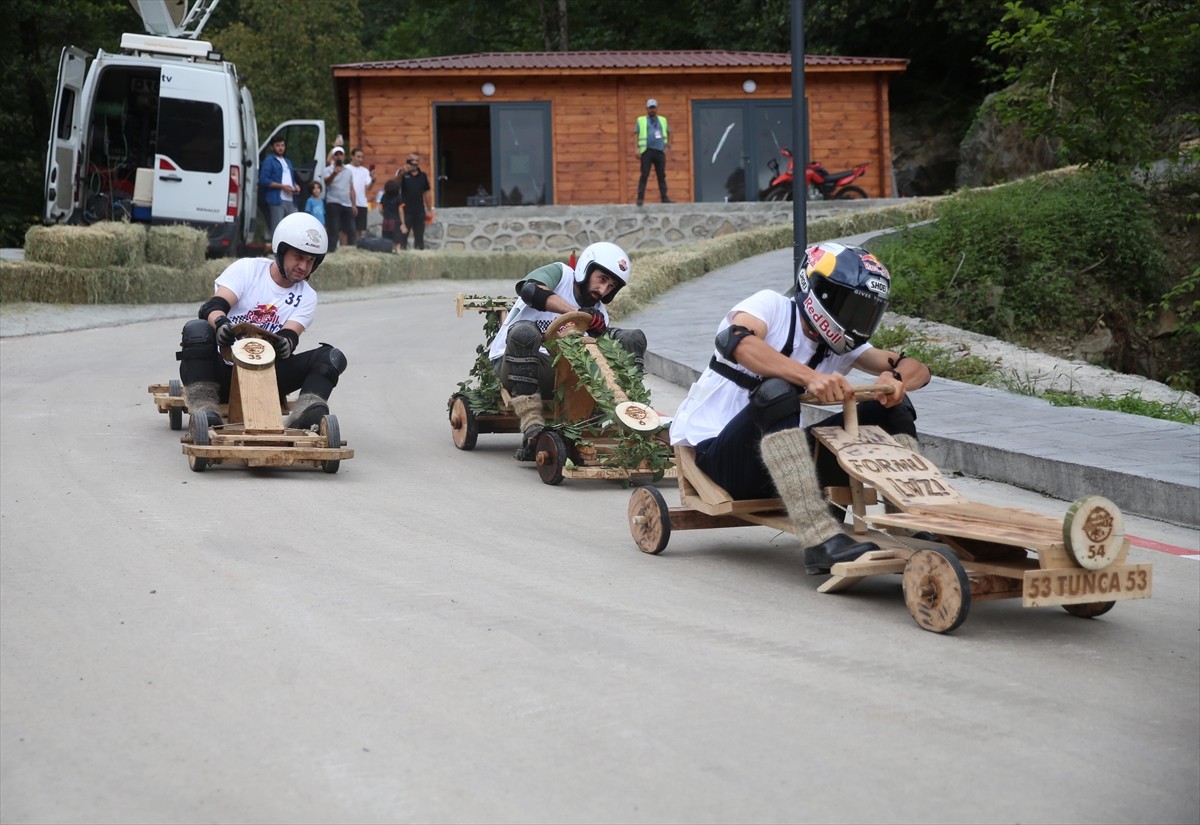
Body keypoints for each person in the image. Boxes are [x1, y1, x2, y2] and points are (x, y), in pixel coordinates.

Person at [668, 242, 932, 575]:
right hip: (718, 461)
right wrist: (808, 377)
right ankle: (819, 542)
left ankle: (907, 520)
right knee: (777, 391)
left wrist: (893, 380)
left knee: (893, 406)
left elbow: (917, 368)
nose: (854, 320)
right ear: (816, 291)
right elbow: (737, 342)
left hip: (785, 464)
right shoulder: (772, 307)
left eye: (863, 312)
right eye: (848, 306)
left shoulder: (844, 347)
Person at [176, 212, 348, 432]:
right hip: (222, 374)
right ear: (282, 251)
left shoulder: (307, 296)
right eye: (298, 256)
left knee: (332, 357)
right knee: (197, 329)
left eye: (310, 260)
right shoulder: (248, 270)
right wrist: (221, 325)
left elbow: (290, 335)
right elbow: (212, 307)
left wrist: (285, 344)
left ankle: (306, 413)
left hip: (267, 379)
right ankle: (204, 407)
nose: (303, 267)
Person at [488, 241, 648, 461]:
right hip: (512, 361)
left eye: (611, 287)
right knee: (525, 333)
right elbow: (530, 289)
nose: (603, 290)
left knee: (631, 338)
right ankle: (531, 428)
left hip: (559, 373)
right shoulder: (561, 274)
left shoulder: (599, 313)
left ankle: (630, 421)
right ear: (586, 269)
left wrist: (599, 333)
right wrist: (576, 313)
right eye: (601, 279)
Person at [259, 136, 300, 236]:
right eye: (277, 145)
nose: (280, 148)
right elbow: (263, 180)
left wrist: (296, 186)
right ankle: (276, 250)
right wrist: (282, 186)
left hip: (291, 199)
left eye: (282, 145)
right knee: (278, 228)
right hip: (277, 199)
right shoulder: (269, 161)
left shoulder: (288, 161)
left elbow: (291, 179)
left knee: (294, 226)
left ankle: (291, 250)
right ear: (272, 147)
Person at [634, 98, 671, 206]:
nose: (652, 110)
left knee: (661, 175)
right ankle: (640, 198)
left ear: (657, 108)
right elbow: (636, 134)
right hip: (646, 151)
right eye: (650, 108)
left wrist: (668, 146)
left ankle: (664, 198)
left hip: (659, 151)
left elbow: (669, 132)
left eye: (654, 108)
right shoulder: (641, 120)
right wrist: (636, 148)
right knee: (644, 174)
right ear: (647, 109)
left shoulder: (663, 120)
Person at [323, 146, 358, 252]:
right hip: (333, 202)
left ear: (344, 156)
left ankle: (351, 251)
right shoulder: (327, 169)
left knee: (351, 229)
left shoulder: (348, 171)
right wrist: (334, 173)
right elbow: (326, 183)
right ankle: (331, 251)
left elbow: (351, 188)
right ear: (333, 157)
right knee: (333, 229)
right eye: (336, 154)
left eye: (340, 154)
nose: (338, 156)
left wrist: (354, 204)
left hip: (347, 203)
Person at [397, 152, 432, 250]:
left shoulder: (423, 175)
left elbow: (427, 192)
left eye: (417, 160)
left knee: (419, 238)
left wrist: (429, 209)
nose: (415, 163)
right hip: (406, 211)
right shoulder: (402, 173)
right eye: (412, 160)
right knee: (403, 238)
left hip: (419, 211)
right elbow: (395, 185)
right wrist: (402, 173)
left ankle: (419, 256)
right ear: (408, 161)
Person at [348, 147, 375, 237]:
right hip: (348, 203)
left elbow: (368, 187)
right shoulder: (346, 168)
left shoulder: (365, 171)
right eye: (358, 157)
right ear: (352, 156)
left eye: (362, 157)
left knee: (359, 229)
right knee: (348, 227)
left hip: (362, 203)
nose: (360, 159)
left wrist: (373, 180)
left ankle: (357, 247)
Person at [379, 177, 403, 251]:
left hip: (386, 220)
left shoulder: (384, 196)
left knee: (386, 240)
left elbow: (380, 209)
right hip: (395, 220)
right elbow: (400, 210)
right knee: (396, 240)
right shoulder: (398, 197)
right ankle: (397, 251)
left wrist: (385, 215)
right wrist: (403, 222)